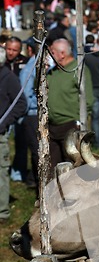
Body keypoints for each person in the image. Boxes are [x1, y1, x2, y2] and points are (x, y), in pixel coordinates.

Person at [47, 38, 93, 173]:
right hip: (51, 127)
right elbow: (37, 89)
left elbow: (88, 99)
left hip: (70, 125)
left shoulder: (77, 69)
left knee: (74, 166)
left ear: (62, 53)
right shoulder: (52, 72)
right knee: (53, 167)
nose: (50, 55)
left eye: (52, 52)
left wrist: (78, 122)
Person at [0, 46, 27, 222]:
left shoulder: (8, 78)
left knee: (1, 174)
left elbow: (20, 104)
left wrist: (3, 122)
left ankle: (2, 212)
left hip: (0, 134)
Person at [4, 36, 28, 182]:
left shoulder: (24, 62)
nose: (11, 52)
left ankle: (19, 171)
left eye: (15, 50)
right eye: (9, 49)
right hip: (5, 108)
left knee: (21, 141)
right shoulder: (2, 64)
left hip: (19, 107)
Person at [18, 36, 39, 190]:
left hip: (37, 113)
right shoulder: (28, 69)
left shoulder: (37, 66)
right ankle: (34, 179)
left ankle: (34, 177)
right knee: (36, 148)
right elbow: (25, 96)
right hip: (32, 114)